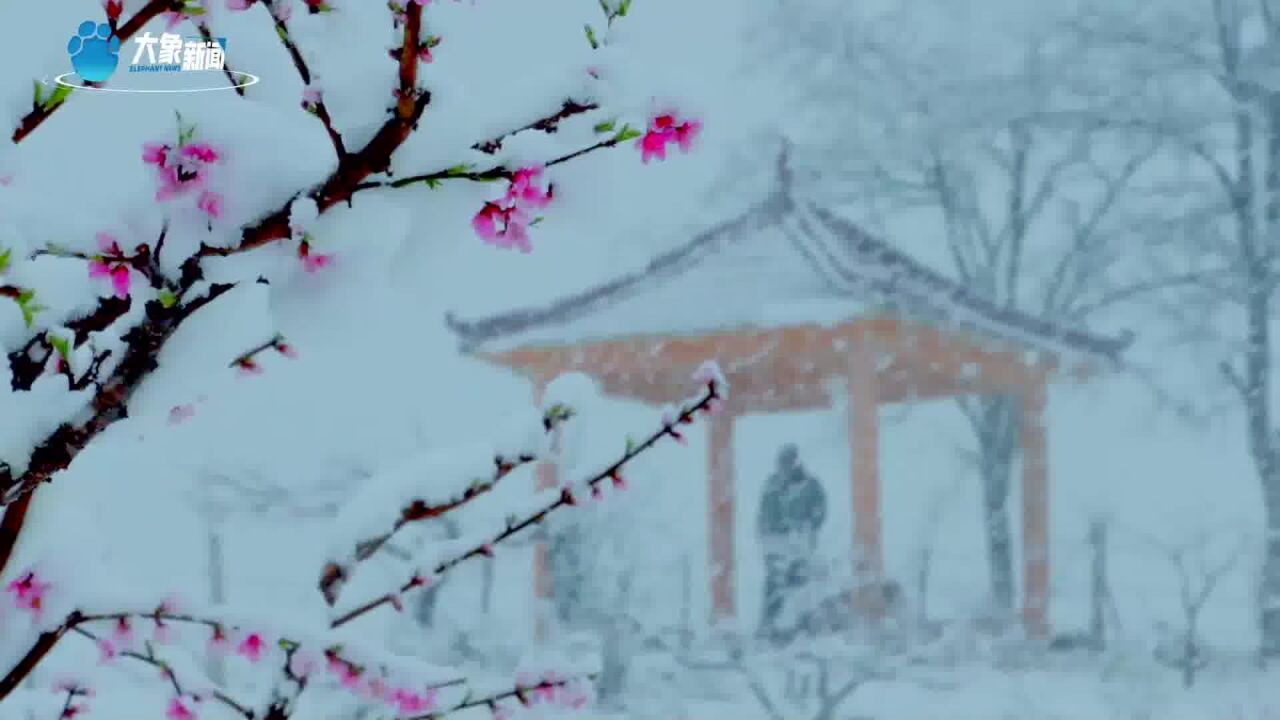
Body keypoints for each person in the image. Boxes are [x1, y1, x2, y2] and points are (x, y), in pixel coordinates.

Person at [757, 443, 827, 647]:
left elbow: (820, 511)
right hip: (776, 545)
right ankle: (769, 626)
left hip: (799, 543)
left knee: (800, 585)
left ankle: (801, 628)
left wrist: (807, 529)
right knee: (774, 586)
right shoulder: (771, 484)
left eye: (787, 461)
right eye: (781, 461)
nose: (783, 466)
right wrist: (765, 535)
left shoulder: (810, 484)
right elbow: (763, 513)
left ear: (795, 462)